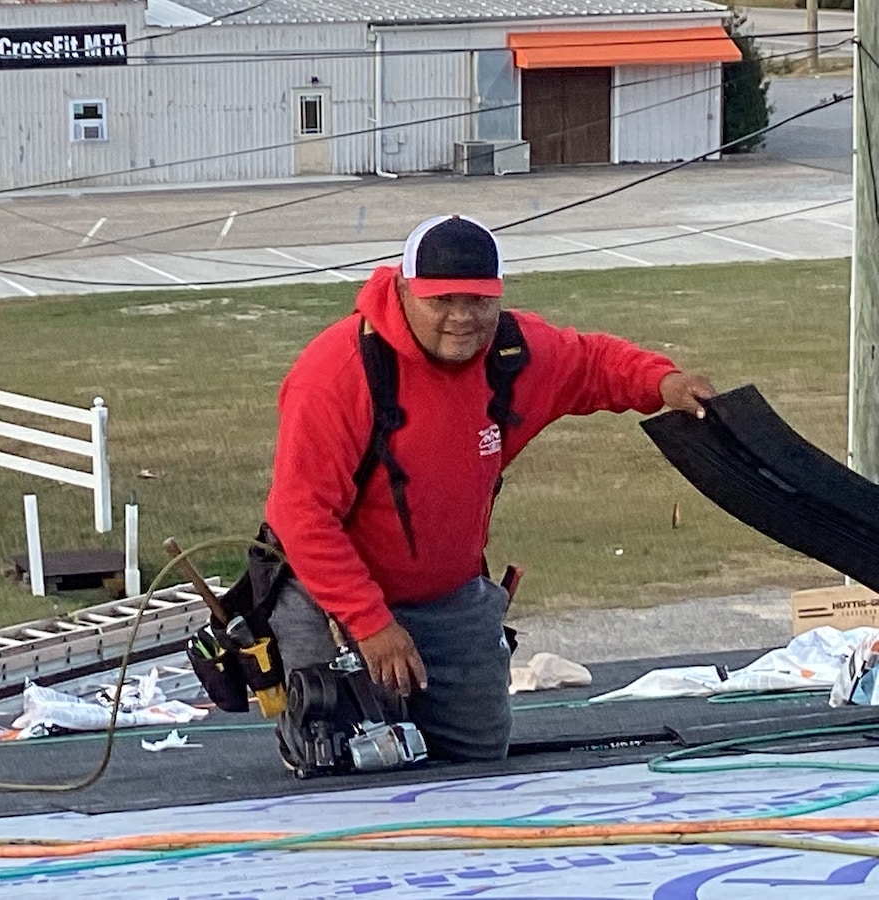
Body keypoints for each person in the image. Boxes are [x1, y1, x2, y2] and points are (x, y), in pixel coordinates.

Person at [263, 214, 715, 764]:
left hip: (449, 598)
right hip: (332, 604)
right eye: (442, 300)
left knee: (479, 759)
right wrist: (371, 623)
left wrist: (663, 382)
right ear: (404, 290)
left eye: (478, 301)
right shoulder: (336, 374)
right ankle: (307, 739)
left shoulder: (513, 354)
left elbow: (592, 363)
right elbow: (301, 515)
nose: (461, 318)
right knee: (350, 768)